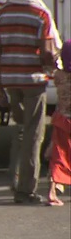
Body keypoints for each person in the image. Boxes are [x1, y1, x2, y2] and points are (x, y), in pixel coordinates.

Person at [0, 0, 62, 204]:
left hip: (11, 79)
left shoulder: (3, 12)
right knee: (34, 134)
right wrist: (54, 62)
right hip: (33, 81)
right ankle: (26, 190)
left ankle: (15, 180)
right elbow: (45, 50)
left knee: (21, 129)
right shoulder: (40, 13)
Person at [46, 40, 70, 206]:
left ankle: (52, 191)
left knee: (59, 155)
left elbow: (52, 66)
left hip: (62, 120)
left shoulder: (60, 77)